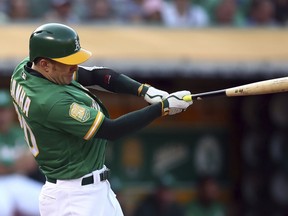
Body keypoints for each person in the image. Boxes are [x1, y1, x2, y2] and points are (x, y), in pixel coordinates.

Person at [9, 23, 193, 216]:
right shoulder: (51, 102)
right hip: (74, 197)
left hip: (90, 190)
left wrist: (145, 91)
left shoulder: (25, 69)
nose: (74, 67)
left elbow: (95, 75)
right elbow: (111, 130)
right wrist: (162, 108)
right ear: (45, 64)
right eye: (68, 62)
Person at [0, 90, 42, 216]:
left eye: (4, 110)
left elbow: (31, 163)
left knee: (46, 204)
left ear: (10, 112)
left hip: (19, 181)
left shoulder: (22, 133)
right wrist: (18, 163)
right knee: (3, 209)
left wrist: (7, 166)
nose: (1, 116)